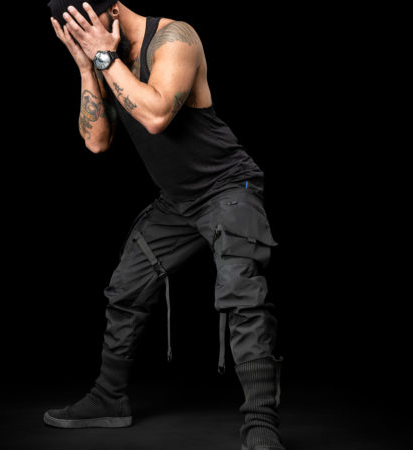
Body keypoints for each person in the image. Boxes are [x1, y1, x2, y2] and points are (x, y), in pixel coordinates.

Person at [44, 1, 286, 449]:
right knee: (125, 288)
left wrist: (103, 58)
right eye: (72, 34)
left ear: (112, 11)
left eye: (83, 28)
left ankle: (260, 423)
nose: (82, 39)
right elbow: (96, 142)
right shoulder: (106, 56)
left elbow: (156, 116)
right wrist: (86, 66)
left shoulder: (175, 39)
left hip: (228, 187)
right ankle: (109, 398)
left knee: (241, 295)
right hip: (178, 202)